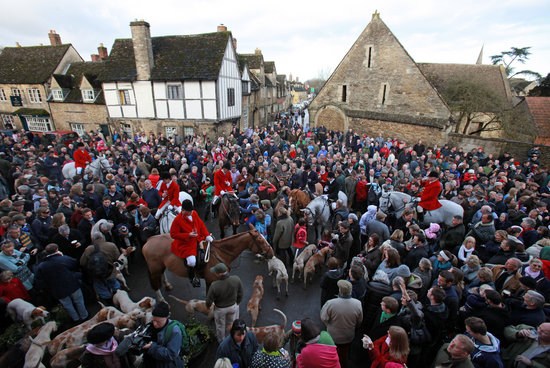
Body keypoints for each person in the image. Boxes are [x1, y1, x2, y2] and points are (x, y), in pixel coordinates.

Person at [34, 243, 88, 323]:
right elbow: (75, 264)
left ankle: (76, 319)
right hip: (71, 284)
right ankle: (84, 316)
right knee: (79, 301)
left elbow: (39, 280)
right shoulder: (62, 259)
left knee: (67, 305)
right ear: (56, 250)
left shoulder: (41, 266)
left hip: (57, 290)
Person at [169, 199, 212, 288]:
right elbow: (173, 234)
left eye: (191, 211)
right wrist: (188, 235)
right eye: (189, 211)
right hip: (186, 243)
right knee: (192, 262)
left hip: (198, 237)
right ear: (183, 210)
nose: (191, 213)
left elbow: (201, 224)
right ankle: (192, 277)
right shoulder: (177, 220)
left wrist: (207, 235)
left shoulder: (194, 213)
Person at [320, 279, 363, 368]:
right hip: (348, 336)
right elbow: (359, 321)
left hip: (332, 336)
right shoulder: (358, 303)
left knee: (330, 353)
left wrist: (328, 325)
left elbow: (323, 318)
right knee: (344, 355)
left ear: (340, 291)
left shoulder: (331, 303)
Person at [139, 301, 185, 368]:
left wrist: (151, 347)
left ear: (166, 318)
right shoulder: (151, 325)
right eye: (153, 320)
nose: (154, 324)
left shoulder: (175, 332)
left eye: (158, 321)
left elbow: (171, 354)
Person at [206, 262, 244, 342]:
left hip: (220, 309)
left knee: (220, 326)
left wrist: (208, 306)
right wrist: (237, 302)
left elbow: (209, 300)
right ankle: (231, 337)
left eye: (215, 272)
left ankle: (221, 341)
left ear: (218, 274)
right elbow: (241, 293)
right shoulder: (236, 279)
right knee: (231, 324)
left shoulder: (214, 285)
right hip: (233, 306)